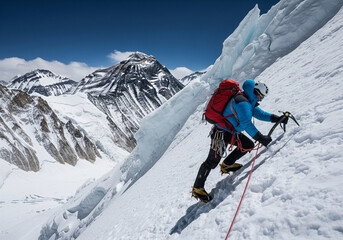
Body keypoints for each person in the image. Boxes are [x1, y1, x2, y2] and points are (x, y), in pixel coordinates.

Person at [192, 79, 286, 203]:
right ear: (256, 92)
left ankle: (227, 165)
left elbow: (259, 114)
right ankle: (197, 188)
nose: (261, 99)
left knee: (248, 144)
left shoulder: (246, 100)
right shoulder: (243, 102)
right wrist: (261, 138)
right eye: (261, 96)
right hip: (221, 134)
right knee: (212, 162)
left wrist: (276, 118)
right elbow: (246, 123)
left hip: (230, 132)